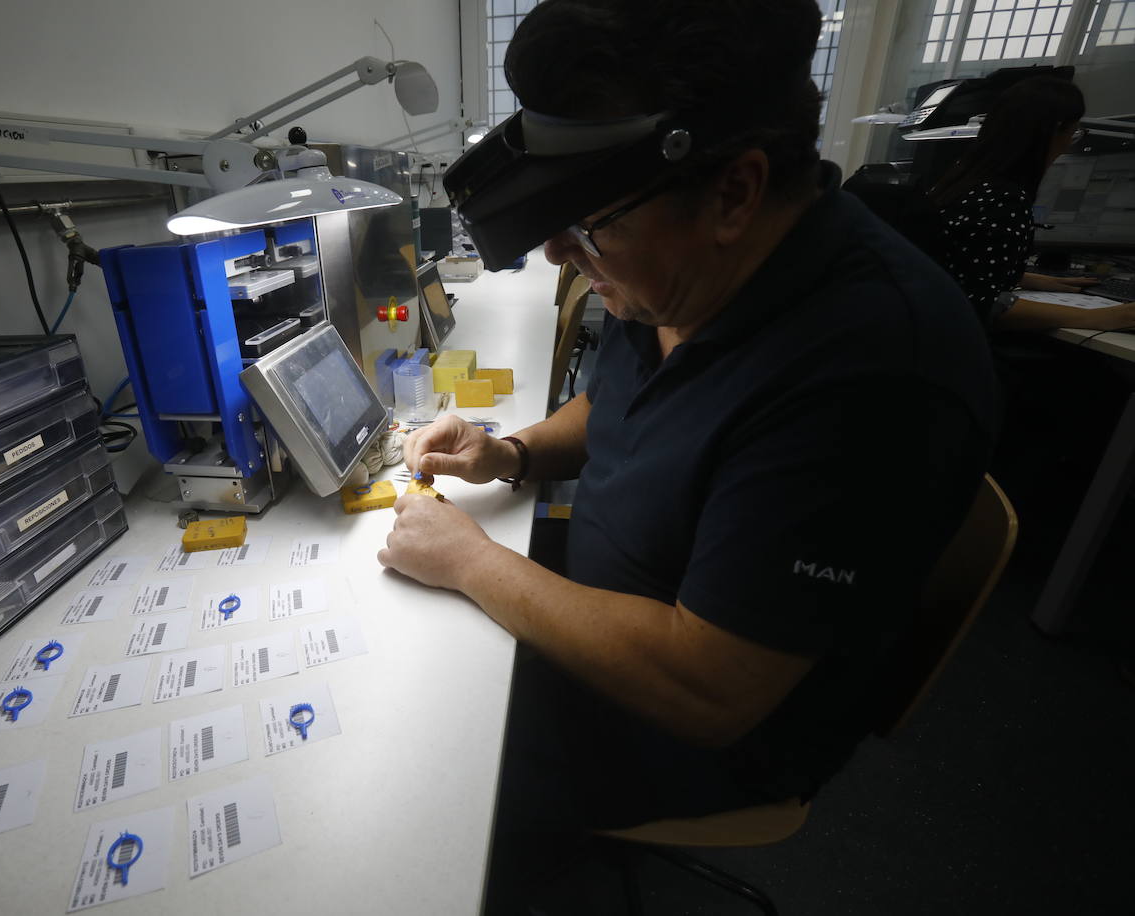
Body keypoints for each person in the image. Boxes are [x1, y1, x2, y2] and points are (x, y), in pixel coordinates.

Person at [377, 0, 996, 907]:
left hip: (695, 725)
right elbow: (619, 403)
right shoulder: (679, 271)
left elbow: (711, 688)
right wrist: (508, 452)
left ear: (734, 193)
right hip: (611, 608)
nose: (559, 252)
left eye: (590, 224)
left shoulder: (872, 375)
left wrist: (473, 563)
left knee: (411, 784)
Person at [929, 76, 1135, 330]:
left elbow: (953, 267)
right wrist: (1105, 317)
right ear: (1053, 132)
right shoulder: (1003, 200)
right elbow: (978, 301)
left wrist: (1023, 278)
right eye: (1073, 133)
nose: (1067, 147)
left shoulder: (964, 181)